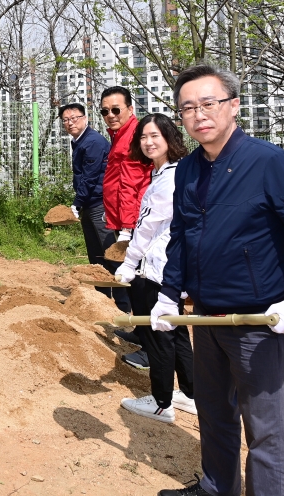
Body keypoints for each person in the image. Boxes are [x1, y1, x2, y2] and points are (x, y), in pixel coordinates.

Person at [154, 64, 284, 496]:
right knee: (214, 413)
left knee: (265, 430)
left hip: (260, 320)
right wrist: (168, 294)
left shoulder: (270, 163)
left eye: (208, 103)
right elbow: (181, 237)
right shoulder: (188, 170)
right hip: (206, 318)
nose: (199, 115)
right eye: (187, 108)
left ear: (234, 106)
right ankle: (218, 487)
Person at [113, 113, 195, 423]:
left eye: (155, 136)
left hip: (155, 267)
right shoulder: (171, 173)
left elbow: (146, 227)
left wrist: (130, 263)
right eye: (143, 137)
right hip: (170, 267)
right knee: (177, 331)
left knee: (157, 335)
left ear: (170, 139)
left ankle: (162, 403)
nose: (148, 142)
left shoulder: (168, 179)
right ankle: (190, 394)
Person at [100, 86, 153, 366]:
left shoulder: (132, 136)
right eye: (105, 111)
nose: (110, 115)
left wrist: (128, 228)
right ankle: (141, 330)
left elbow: (132, 186)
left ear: (130, 110)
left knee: (142, 281)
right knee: (133, 281)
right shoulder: (119, 135)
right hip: (125, 221)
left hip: (136, 227)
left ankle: (149, 348)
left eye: (116, 109)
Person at [60, 102, 114, 280]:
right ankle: (100, 296)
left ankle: (123, 303)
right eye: (66, 120)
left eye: (74, 118)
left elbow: (90, 177)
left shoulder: (92, 142)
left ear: (85, 118)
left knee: (108, 251)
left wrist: (76, 203)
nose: (70, 123)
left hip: (100, 203)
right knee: (95, 254)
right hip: (89, 203)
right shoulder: (79, 141)